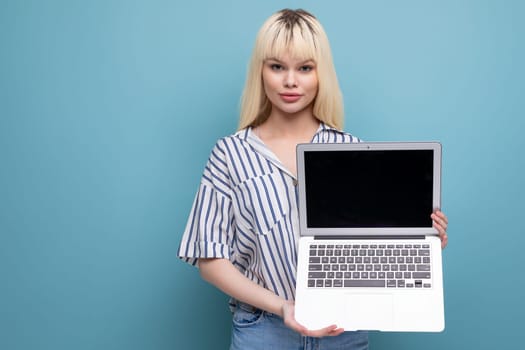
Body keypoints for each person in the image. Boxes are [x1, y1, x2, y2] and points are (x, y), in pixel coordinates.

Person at [178, 8, 449, 350]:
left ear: (321, 74)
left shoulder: (349, 149)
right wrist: (283, 306)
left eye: (304, 68)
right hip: (263, 331)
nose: (290, 81)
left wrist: (417, 240)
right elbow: (210, 260)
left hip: (342, 331)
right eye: (277, 67)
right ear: (260, 71)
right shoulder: (230, 154)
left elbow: (368, 244)